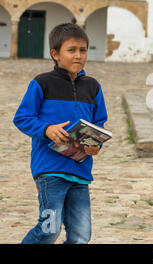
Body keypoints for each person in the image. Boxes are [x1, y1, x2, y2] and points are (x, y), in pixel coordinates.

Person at [13, 23, 108, 244]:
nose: (78, 55)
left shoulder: (93, 86)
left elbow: (99, 122)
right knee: (49, 230)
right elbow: (22, 118)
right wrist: (46, 129)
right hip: (49, 170)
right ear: (55, 54)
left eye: (83, 50)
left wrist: (96, 144)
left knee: (81, 236)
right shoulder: (42, 83)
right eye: (72, 50)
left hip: (80, 171)